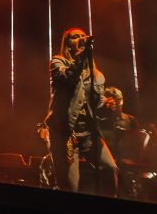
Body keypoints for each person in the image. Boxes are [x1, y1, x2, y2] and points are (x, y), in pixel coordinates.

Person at [43, 27, 118, 195]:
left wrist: (107, 106)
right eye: (75, 37)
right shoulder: (58, 62)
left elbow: (95, 105)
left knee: (110, 169)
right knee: (70, 185)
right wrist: (80, 58)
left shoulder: (97, 75)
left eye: (82, 36)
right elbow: (68, 78)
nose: (80, 38)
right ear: (67, 44)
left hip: (88, 134)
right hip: (66, 134)